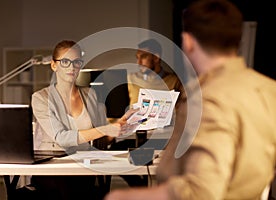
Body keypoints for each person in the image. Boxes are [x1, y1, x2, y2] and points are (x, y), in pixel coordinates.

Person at [104, 0, 276, 199]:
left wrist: (122, 197)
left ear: (188, 41)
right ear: (238, 40)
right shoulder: (269, 89)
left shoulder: (208, 99)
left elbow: (201, 191)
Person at [28, 40, 135, 200]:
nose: (72, 67)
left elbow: (101, 139)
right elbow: (61, 137)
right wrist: (105, 129)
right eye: (65, 61)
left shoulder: (90, 94)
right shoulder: (40, 98)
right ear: (53, 65)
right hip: (53, 170)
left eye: (77, 62)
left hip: (84, 169)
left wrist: (119, 128)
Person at [127, 38, 183, 107]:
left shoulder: (175, 81)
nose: (139, 62)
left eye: (143, 57)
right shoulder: (130, 79)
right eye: (137, 58)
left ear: (156, 57)